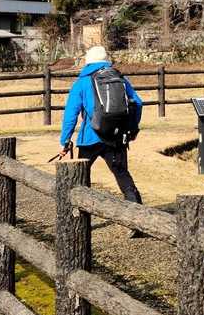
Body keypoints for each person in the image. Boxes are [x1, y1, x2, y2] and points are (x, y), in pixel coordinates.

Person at [59, 45, 145, 203]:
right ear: (106, 60)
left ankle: (80, 212)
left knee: (81, 176)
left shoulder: (81, 82)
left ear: (88, 61)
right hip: (116, 136)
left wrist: (65, 140)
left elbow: (70, 114)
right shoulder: (120, 79)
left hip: (90, 137)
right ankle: (138, 212)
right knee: (122, 174)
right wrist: (132, 129)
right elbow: (138, 103)